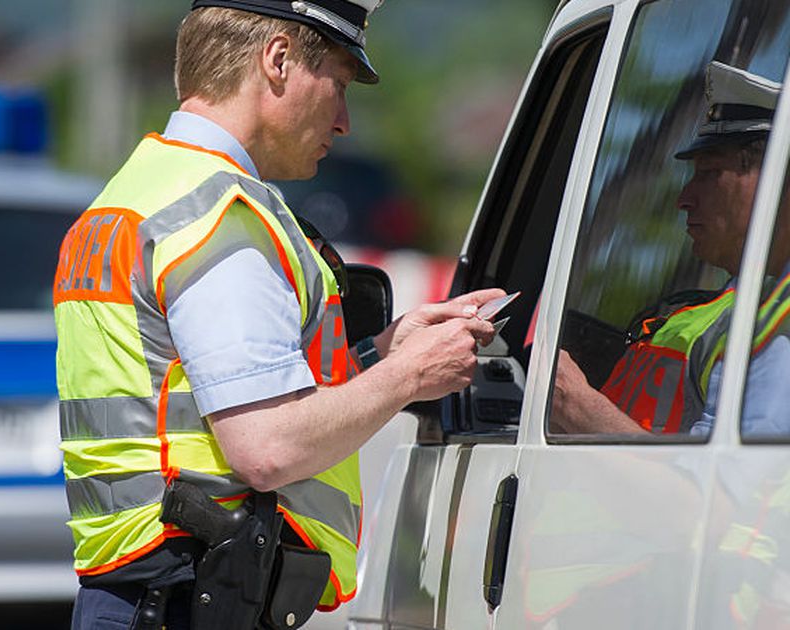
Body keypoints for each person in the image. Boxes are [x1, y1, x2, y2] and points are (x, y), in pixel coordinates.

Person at [52, 2, 502, 628]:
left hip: (139, 594)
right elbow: (266, 447)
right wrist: (409, 378)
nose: (344, 121)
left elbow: (184, 388)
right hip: (192, 596)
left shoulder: (136, 192)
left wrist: (379, 356)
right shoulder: (219, 216)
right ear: (279, 60)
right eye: (339, 85)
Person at [552, 61, 790, 437]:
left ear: (776, 181)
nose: (684, 198)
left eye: (710, 173)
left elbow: (725, 490)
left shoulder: (778, 325)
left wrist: (575, 403)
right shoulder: (715, 311)